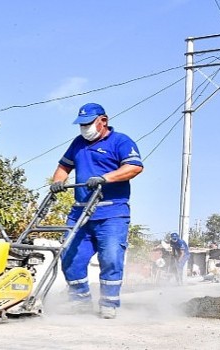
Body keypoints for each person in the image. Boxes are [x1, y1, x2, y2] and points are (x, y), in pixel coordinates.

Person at [50, 102, 143, 319]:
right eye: (81, 125)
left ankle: (109, 303)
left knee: (110, 257)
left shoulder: (120, 141)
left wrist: (105, 178)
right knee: (70, 257)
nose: (84, 128)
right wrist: (58, 181)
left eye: (88, 124)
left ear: (103, 120)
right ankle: (79, 301)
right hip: (80, 213)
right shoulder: (78, 143)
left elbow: (134, 167)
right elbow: (64, 167)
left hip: (111, 213)